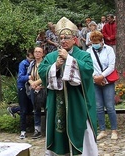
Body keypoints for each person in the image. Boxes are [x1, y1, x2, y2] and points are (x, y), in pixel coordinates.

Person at [38, 17, 98, 156]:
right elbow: (42, 71)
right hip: (57, 102)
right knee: (58, 128)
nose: (64, 40)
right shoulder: (51, 56)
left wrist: (69, 59)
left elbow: (88, 70)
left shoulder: (83, 55)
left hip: (77, 102)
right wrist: (56, 66)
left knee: (81, 129)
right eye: (61, 38)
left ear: (74, 39)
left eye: (67, 37)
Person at [88, 31, 118, 141]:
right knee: (98, 107)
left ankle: (114, 129)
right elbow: (88, 66)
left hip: (107, 80)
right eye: (93, 42)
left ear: (102, 41)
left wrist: (102, 76)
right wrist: (95, 78)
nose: (95, 44)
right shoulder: (89, 51)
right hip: (95, 81)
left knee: (110, 106)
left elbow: (111, 65)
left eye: (97, 42)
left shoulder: (109, 50)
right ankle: (102, 130)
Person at [7, 49, 34, 139]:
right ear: (27, 57)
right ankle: (23, 131)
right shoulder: (23, 64)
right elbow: (20, 78)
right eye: (30, 59)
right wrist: (29, 77)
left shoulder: (35, 63)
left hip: (30, 88)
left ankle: (13, 109)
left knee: (30, 108)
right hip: (22, 87)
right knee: (23, 110)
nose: (31, 60)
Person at [26, 46, 46, 139]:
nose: (37, 53)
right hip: (34, 89)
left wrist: (37, 83)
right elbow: (29, 76)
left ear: (42, 53)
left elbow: (46, 75)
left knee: (47, 109)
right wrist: (32, 84)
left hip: (44, 89)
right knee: (36, 109)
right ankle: (37, 130)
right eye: (36, 51)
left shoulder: (45, 63)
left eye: (39, 52)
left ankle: (47, 129)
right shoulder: (32, 64)